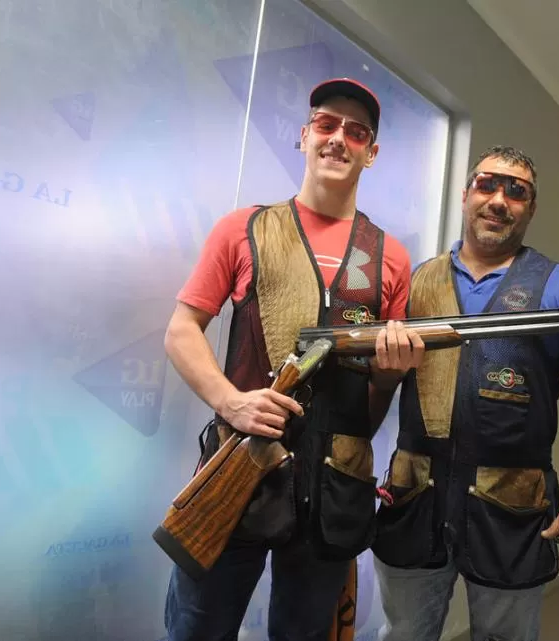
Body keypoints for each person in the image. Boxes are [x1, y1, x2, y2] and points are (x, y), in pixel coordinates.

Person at [160, 77, 424, 641]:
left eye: (356, 132)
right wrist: (230, 401)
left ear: (371, 153)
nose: (338, 139)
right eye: (326, 125)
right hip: (243, 465)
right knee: (196, 629)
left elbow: (376, 393)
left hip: (337, 488)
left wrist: (392, 372)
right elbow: (182, 330)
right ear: (304, 136)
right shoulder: (244, 228)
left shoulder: (392, 257)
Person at [371, 145, 559, 641]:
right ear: (466, 196)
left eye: (516, 191)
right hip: (414, 500)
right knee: (402, 634)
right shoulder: (416, 284)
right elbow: (380, 385)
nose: (499, 199)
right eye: (487, 185)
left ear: (530, 207)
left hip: (512, 511)